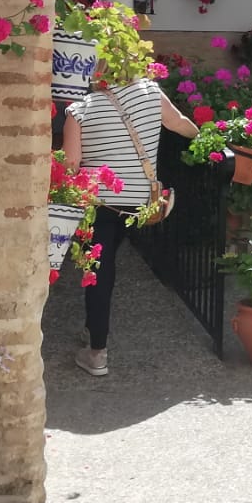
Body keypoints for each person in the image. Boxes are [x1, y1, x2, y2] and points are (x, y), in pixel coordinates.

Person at [60, 40, 200, 378]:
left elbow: (70, 166)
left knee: (99, 271)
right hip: (141, 202)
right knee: (107, 262)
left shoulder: (79, 109)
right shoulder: (151, 93)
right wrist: (204, 138)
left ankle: (97, 351)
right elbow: (180, 123)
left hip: (101, 204)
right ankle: (94, 327)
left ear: (95, 69)